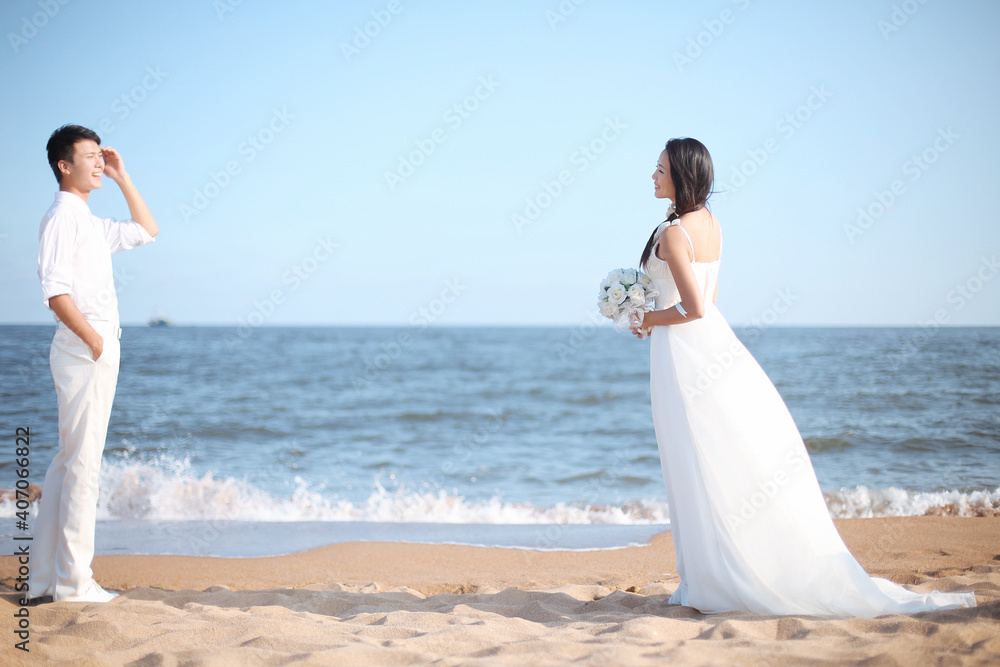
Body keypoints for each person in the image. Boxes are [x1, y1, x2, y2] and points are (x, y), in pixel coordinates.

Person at [632, 137, 976, 616]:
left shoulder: (673, 233)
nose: (653, 175)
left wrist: (647, 319)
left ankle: (713, 579)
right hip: (713, 346)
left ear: (682, 176)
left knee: (695, 458)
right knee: (715, 457)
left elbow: (694, 307)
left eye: (660, 169)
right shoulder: (710, 224)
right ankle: (713, 572)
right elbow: (709, 297)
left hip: (687, 356)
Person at [29, 125, 158, 603]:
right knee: (82, 466)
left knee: (67, 464)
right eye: (90, 157)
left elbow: (147, 230)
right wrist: (96, 341)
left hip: (92, 347)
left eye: (100, 157)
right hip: (86, 349)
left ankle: (44, 579)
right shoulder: (62, 216)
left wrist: (124, 178)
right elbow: (55, 292)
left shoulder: (88, 220)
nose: (99, 163)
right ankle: (75, 583)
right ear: (65, 165)